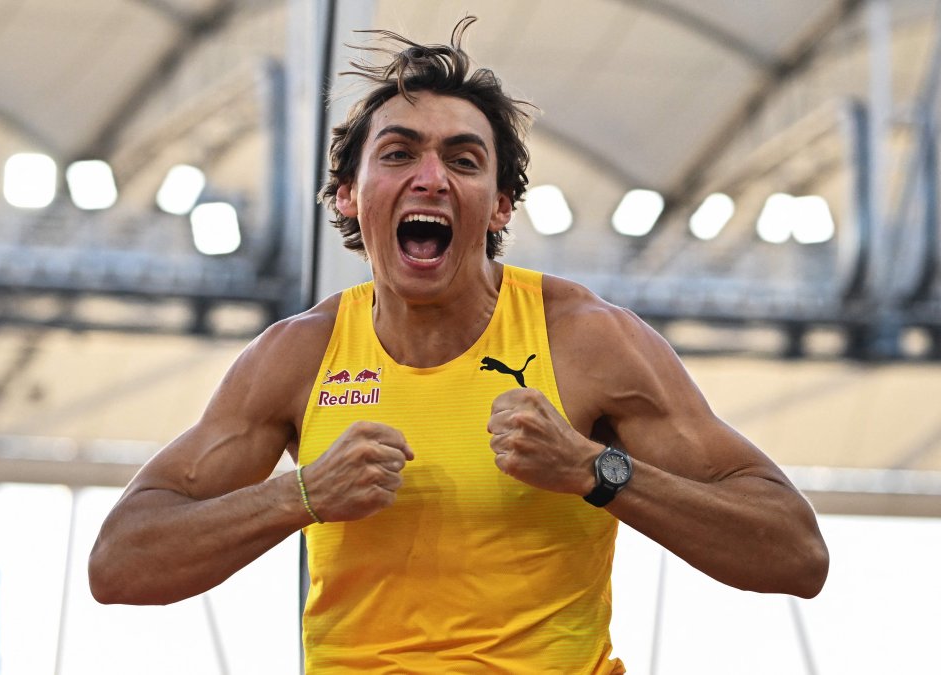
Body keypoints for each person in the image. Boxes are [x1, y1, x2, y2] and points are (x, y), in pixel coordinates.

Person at [89, 17, 829, 673]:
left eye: (465, 160)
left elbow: (794, 551)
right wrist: (301, 495)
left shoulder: (587, 340)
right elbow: (121, 562)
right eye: (400, 153)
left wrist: (595, 470)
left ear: (501, 202)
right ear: (348, 193)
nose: (432, 178)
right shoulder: (299, 356)